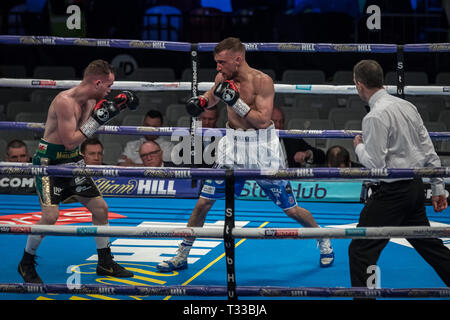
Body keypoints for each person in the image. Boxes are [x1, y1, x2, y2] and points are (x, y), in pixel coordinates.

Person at [157, 37, 334, 272]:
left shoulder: (262, 82)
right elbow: (212, 96)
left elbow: (262, 120)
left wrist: (237, 102)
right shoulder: (224, 78)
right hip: (232, 148)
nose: (218, 68)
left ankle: (323, 238)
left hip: (262, 149)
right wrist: (200, 102)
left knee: (291, 209)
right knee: (203, 203)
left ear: (238, 59)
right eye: (217, 63)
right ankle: (182, 254)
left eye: (222, 62)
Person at [18, 59, 139, 283]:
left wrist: (117, 106)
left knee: (101, 209)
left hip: (74, 164)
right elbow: (70, 141)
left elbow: (84, 133)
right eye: (109, 85)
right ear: (98, 82)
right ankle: (26, 262)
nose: (111, 90)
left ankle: (105, 263)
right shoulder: (65, 101)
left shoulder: (94, 99)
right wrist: (99, 119)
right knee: (50, 216)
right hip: (49, 164)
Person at [349, 59, 450, 289]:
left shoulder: (374, 116)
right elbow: (427, 149)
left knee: (360, 250)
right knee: (428, 244)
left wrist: (358, 146)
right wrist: (437, 187)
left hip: (392, 194)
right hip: (415, 187)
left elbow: (375, 165)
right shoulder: (407, 106)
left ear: (359, 85)